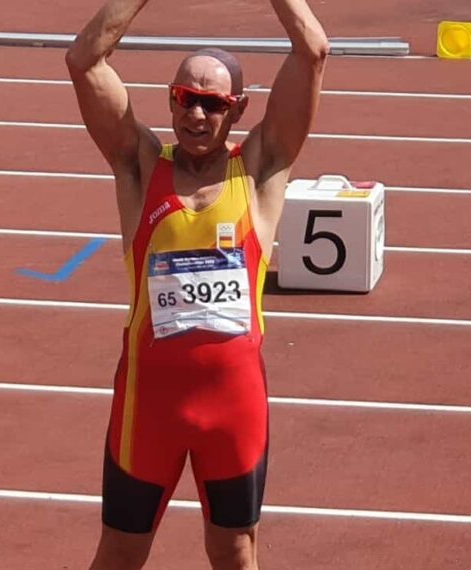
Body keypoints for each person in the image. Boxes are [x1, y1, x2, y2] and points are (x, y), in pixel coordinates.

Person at [66, 1, 328, 568]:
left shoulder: (261, 170)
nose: (197, 115)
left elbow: (313, 50)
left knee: (234, 552)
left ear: (237, 110)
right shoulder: (138, 167)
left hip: (233, 407)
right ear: (171, 100)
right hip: (148, 404)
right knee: (119, 554)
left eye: (213, 103)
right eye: (186, 99)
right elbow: (85, 62)